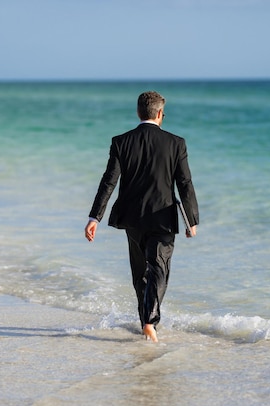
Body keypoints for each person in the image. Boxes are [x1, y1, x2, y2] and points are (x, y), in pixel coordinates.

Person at [85, 91, 199, 342]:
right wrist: (192, 220)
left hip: (133, 219)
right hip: (162, 218)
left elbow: (109, 182)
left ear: (139, 113)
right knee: (159, 269)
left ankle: (145, 321)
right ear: (160, 114)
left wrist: (95, 217)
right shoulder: (176, 143)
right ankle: (149, 322)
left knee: (140, 273)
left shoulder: (121, 141)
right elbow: (185, 183)